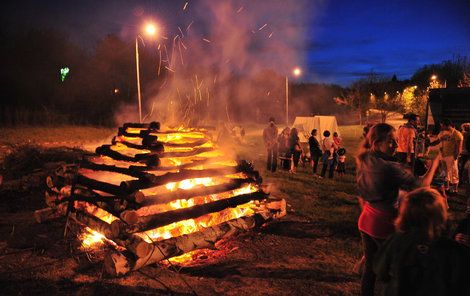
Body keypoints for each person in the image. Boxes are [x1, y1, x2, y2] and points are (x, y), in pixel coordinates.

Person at [355, 123, 440, 296]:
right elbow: (423, 186)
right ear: (376, 143)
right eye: (391, 142)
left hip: (365, 220)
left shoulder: (365, 158)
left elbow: (362, 193)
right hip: (383, 224)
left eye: (396, 141)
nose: (395, 145)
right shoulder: (389, 168)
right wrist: (435, 164)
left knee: (371, 268)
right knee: (395, 268)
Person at [374, 188, 469, 296]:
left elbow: (381, 270)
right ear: (441, 215)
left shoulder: (396, 240)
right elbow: (461, 286)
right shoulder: (453, 250)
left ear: (405, 214)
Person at [429, 119, 464, 193]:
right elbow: (438, 141)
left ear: (447, 125)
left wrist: (456, 156)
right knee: (445, 173)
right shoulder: (442, 133)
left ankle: (455, 190)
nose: (441, 127)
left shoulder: (457, 134)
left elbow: (459, 147)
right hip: (443, 155)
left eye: (442, 125)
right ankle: (446, 188)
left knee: (454, 172)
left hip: (451, 156)